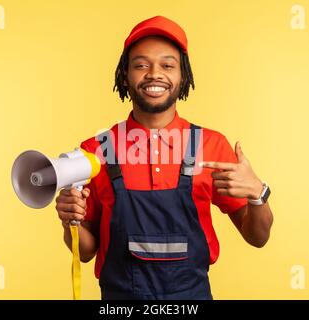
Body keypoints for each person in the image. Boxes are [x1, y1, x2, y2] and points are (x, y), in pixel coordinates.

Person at [55, 16, 274, 300]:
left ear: (183, 76)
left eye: (168, 65)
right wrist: (70, 221)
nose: (154, 74)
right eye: (141, 65)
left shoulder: (211, 146)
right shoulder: (95, 151)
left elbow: (258, 238)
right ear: (125, 74)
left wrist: (258, 193)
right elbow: (85, 252)